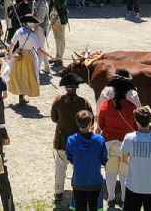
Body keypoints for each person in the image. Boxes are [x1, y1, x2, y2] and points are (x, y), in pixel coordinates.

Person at [96, 72, 138, 208]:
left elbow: (100, 125)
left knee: (110, 173)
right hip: (127, 144)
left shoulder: (105, 105)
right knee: (125, 174)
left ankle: (111, 198)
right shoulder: (132, 107)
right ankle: (125, 199)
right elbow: (136, 126)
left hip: (109, 143)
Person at [51, 72, 93, 207]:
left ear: (65, 88)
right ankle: (79, 191)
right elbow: (90, 120)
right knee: (79, 168)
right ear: (76, 88)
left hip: (62, 141)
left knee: (60, 168)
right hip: (79, 142)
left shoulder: (58, 101)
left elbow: (54, 118)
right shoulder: (84, 102)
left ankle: (58, 192)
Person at [118, 106, 151, 211]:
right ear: (150, 120)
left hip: (133, 185)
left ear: (136, 121)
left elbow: (124, 159)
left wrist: (135, 165)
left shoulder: (129, 138)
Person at [67, 109, 108, 211]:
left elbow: (70, 158)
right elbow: (104, 159)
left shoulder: (71, 140)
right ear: (91, 123)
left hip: (79, 182)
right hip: (95, 182)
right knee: (94, 208)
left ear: (77, 123)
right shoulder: (100, 140)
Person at [8, 14, 51, 105]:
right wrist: (48, 54)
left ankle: (21, 96)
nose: (35, 25)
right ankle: (23, 96)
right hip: (29, 56)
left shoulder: (19, 31)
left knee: (19, 75)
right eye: (33, 23)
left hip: (19, 55)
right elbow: (39, 49)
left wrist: (10, 54)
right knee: (29, 76)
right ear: (29, 23)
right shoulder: (32, 35)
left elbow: (12, 44)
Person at [48, 0, 70, 68]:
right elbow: (50, 3)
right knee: (56, 37)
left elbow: (60, 5)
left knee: (61, 38)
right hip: (53, 16)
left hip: (60, 17)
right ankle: (57, 56)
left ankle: (60, 58)